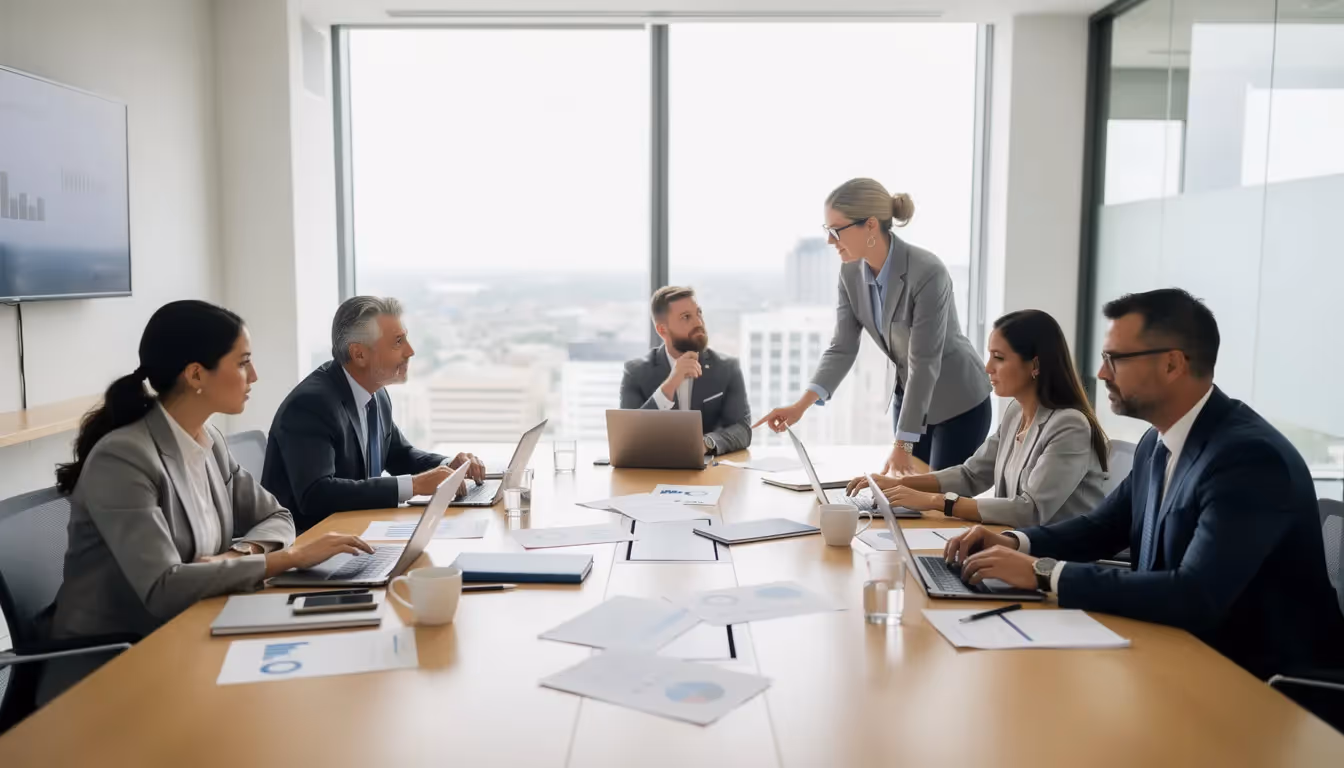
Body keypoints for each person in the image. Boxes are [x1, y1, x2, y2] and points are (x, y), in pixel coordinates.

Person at [945, 289, 1344, 680]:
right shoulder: (1156, 441)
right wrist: (1015, 543)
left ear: (1172, 364)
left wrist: (1044, 573)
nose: (1102, 373)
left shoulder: (1250, 459)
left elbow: (1195, 595)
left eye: (1115, 359)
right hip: (1171, 652)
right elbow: (1102, 527)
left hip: (1258, 683)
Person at [42, 300, 371, 703]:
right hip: (115, 668)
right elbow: (163, 588)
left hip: (195, 630)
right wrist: (287, 559)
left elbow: (277, 515)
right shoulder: (124, 457)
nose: (254, 375)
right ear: (197, 374)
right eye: (243, 363)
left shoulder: (208, 438)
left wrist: (240, 553)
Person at [755, 178, 992, 473]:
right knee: (905, 494)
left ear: (869, 225)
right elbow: (842, 347)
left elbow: (924, 361)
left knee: (938, 496)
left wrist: (902, 444)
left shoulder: (927, 271)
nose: (830, 241)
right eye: (827, 230)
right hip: (909, 398)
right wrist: (800, 406)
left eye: (836, 230)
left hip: (957, 401)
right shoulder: (850, 272)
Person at [846, 309, 1109, 528]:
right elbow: (970, 475)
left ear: (1035, 365)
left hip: (1056, 561)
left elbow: (1030, 511)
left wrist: (934, 501)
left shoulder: (1070, 426)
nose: (987, 367)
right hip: (1015, 546)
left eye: (999, 358)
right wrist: (898, 484)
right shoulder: (1016, 413)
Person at [263, 296, 485, 531]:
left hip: (355, 531)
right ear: (359, 354)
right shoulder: (311, 404)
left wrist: (448, 466)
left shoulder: (376, 393)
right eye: (398, 342)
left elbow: (399, 455)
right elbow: (316, 494)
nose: (410, 351)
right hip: (308, 541)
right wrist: (415, 485)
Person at [620, 286, 751, 455]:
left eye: (699, 313)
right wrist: (670, 384)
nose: (699, 323)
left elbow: (742, 429)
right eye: (686, 317)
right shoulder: (635, 372)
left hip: (709, 468)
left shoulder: (727, 368)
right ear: (662, 330)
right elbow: (627, 437)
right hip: (653, 466)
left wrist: (706, 443)